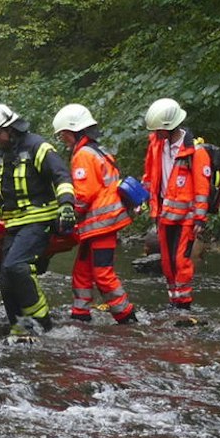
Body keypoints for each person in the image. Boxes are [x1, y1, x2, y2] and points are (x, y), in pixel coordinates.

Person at [0, 102, 75, 338]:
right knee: (6, 278)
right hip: (14, 224)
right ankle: (20, 329)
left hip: (40, 220)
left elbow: (61, 176)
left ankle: (45, 325)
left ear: (11, 128)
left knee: (16, 266)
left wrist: (67, 205)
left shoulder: (37, 147)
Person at [52, 104, 137, 324]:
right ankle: (80, 315)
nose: (63, 140)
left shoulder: (83, 155)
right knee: (82, 271)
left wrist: (67, 217)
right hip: (100, 225)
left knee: (102, 273)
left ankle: (126, 317)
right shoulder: (98, 151)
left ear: (74, 131)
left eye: (64, 135)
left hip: (102, 225)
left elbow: (83, 195)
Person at [143, 96, 212, 310]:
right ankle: (173, 301)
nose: (156, 134)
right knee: (167, 262)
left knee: (180, 261)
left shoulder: (196, 153)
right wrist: (143, 198)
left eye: (159, 130)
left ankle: (184, 304)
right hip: (164, 214)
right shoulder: (157, 146)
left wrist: (200, 217)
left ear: (170, 127)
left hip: (187, 217)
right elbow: (150, 176)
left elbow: (202, 188)